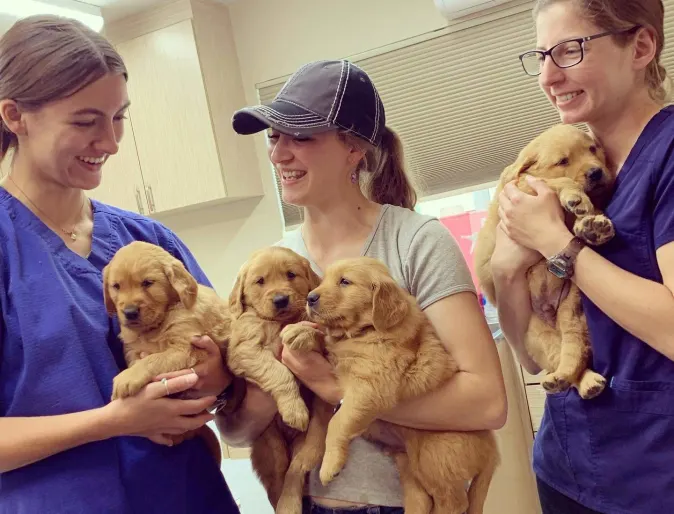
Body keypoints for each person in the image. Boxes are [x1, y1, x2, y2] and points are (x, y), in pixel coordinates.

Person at [217, 59, 507, 513]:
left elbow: (487, 403)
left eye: (301, 136)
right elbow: (235, 432)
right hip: (308, 501)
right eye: (274, 137)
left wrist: (335, 389)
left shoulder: (415, 241)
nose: (278, 154)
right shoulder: (273, 268)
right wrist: (267, 385)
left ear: (353, 147)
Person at [0, 15, 240, 513]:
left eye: (118, 119)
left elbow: (231, 354)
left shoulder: (147, 241)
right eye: (86, 122)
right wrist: (115, 420)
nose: (109, 143)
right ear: (14, 116)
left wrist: (216, 375)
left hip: (187, 495)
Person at [493, 1, 674, 513]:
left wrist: (558, 243)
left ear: (640, 46)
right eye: (541, 54)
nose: (549, 76)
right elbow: (529, 355)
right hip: (566, 468)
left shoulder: (668, 155)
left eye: (570, 50)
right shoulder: (563, 169)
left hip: (653, 477)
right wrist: (508, 270)